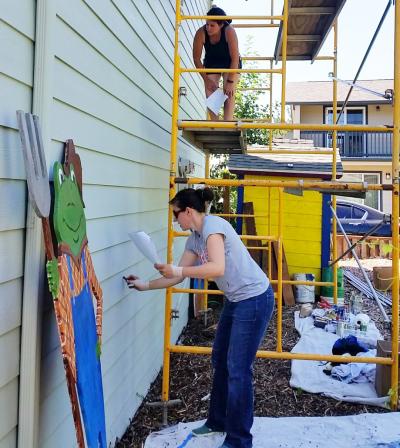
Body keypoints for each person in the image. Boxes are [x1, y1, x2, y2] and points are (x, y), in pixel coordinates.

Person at [125, 188, 274, 448]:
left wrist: (178, 268)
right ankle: (217, 421)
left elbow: (217, 267)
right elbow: (177, 276)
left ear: (189, 211)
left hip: (254, 299)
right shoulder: (194, 239)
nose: (174, 220)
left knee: (238, 370)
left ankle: (239, 440)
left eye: (176, 214)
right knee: (220, 359)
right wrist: (146, 285)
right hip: (236, 300)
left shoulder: (212, 227)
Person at [193, 6, 241, 121]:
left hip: (230, 62)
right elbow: (196, 58)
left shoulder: (229, 31)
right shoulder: (201, 32)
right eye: (207, 24)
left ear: (221, 25)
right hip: (212, 61)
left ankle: (227, 122)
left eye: (212, 25)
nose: (208, 28)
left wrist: (230, 82)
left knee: (229, 89)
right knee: (210, 87)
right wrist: (206, 79)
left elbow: (235, 59)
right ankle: (215, 122)